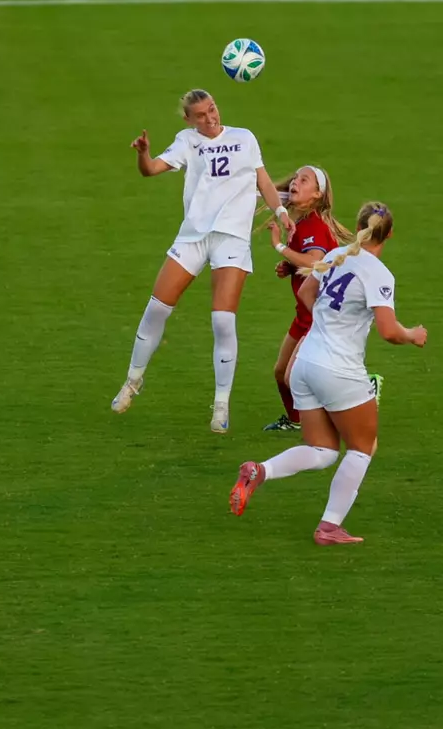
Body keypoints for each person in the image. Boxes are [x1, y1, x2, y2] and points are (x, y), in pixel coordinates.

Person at [229, 202, 426, 545]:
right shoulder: (379, 274)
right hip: (339, 369)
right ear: (389, 234)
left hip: (305, 364)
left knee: (322, 450)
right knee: (363, 447)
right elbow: (388, 331)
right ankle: (329, 527)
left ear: (358, 226)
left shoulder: (336, 254)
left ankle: (260, 470)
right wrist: (412, 334)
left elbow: (306, 295)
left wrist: (328, 324)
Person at [112, 89, 289, 434]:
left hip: (232, 238)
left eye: (212, 110)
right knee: (157, 309)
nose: (211, 119)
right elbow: (149, 171)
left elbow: (263, 181)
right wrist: (143, 154)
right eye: (201, 116)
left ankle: (221, 404)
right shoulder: (186, 142)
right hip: (193, 236)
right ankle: (133, 381)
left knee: (223, 322)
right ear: (189, 120)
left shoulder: (244, 138)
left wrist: (281, 211)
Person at [261, 165, 352, 432]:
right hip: (305, 314)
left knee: (294, 377)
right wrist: (291, 267)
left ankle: (359, 389)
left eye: (304, 180)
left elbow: (314, 262)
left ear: (317, 194)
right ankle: (295, 421)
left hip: (321, 316)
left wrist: (281, 248)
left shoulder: (313, 225)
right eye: (295, 179)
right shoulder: (301, 225)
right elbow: (318, 265)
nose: (294, 183)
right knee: (281, 373)